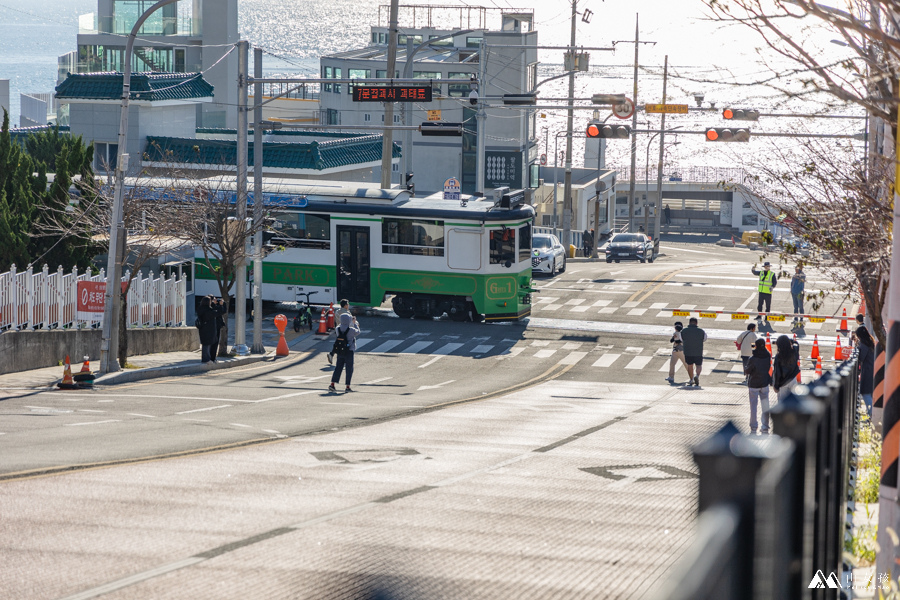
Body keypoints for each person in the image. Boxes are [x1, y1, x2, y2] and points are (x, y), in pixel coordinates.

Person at [744, 338, 772, 434]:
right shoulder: (768, 356)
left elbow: (747, 371)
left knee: (753, 407)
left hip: (754, 384)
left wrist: (746, 368)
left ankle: (753, 427)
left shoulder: (752, 358)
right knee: (765, 406)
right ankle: (765, 427)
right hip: (764, 382)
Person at [329, 312, 360, 392]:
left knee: (338, 368)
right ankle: (347, 386)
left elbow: (340, 327)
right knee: (349, 369)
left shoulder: (338, 328)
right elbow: (358, 332)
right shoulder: (351, 330)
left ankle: (332, 384)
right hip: (349, 351)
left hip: (340, 351)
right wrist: (355, 324)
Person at [854, 318, 875, 418]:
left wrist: (857, 347)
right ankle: (871, 413)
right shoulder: (870, 341)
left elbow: (861, 358)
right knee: (869, 393)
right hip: (871, 370)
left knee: (865, 392)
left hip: (867, 370)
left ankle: (871, 414)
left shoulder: (864, 345)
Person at [197, 296, 226, 364]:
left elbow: (213, 311)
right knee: (207, 344)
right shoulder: (208, 311)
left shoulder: (201, 309)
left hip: (203, 329)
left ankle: (207, 358)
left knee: (206, 344)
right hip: (208, 329)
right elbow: (217, 312)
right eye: (210, 301)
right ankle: (206, 359)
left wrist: (213, 304)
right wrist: (221, 305)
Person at [772, 334, 801, 402]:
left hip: (783, 382)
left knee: (782, 403)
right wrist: (790, 341)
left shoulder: (778, 356)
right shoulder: (794, 351)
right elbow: (796, 344)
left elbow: (777, 372)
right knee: (793, 401)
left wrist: (776, 385)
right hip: (793, 378)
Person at [680, 317, 707, 387]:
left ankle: (691, 379)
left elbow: (681, 339)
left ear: (689, 323)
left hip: (688, 351)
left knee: (690, 365)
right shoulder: (701, 331)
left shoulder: (684, 331)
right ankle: (697, 376)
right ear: (696, 323)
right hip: (698, 351)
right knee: (698, 365)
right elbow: (704, 339)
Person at [326, 299, 352, 364]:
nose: (348, 305)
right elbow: (350, 323)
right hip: (346, 331)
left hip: (338, 330)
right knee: (346, 345)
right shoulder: (347, 313)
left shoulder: (337, 312)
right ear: (345, 305)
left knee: (338, 343)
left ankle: (331, 354)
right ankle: (344, 359)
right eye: (347, 304)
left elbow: (335, 321)